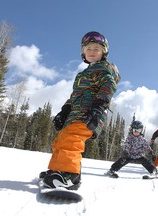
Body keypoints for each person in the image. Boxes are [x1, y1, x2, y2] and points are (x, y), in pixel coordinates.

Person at [39, 31, 120, 190]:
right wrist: (65, 110)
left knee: (72, 140)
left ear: (104, 52)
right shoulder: (84, 73)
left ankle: (70, 175)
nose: (92, 52)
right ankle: (57, 170)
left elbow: (108, 86)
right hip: (75, 114)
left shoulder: (103, 68)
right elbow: (76, 95)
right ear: (83, 52)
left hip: (89, 114)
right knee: (61, 140)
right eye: (88, 48)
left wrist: (98, 107)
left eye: (96, 48)